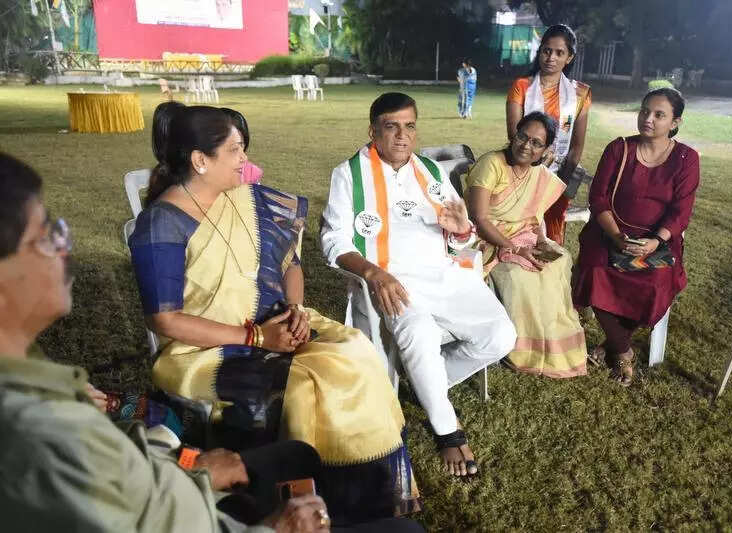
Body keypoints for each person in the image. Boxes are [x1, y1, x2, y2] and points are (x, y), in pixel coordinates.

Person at [0, 151, 333, 532]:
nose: (64, 248)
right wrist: (277, 528)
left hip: (175, 480)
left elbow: (128, 467)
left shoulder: (33, 378)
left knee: (298, 456)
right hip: (196, 512)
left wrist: (189, 465)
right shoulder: (35, 437)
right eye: (45, 238)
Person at [128, 105, 420, 524]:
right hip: (209, 349)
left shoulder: (247, 199)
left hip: (278, 321)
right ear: (200, 161)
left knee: (356, 353)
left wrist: (295, 310)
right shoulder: (161, 224)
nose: (245, 160)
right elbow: (166, 321)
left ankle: (364, 498)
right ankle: (315, 502)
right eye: (235, 150)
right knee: (307, 384)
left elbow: (289, 264)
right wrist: (258, 338)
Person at [320, 92, 516, 478]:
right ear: (373, 131)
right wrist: (374, 273)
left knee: (501, 336)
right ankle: (447, 430)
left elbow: (459, 237)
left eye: (409, 126)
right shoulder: (349, 174)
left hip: (445, 276)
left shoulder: (430, 170)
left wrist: (460, 232)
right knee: (420, 334)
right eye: (391, 126)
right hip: (392, 281)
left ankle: (426, 382)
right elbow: (333, 240)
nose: (402, 135)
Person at [572, 88, 700, 386]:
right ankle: (623, 350)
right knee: (594, 271)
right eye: (644, 111)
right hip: (610, 233)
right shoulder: (619, 149)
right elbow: (598, 199)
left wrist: (655, 241)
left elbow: (681, 211)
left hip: (656, 241)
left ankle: (610, 344)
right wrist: (617, 237)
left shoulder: (686, 158)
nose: (648, 119)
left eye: (659, 115)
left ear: (675, 122)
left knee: (656, 281)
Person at [465, 111, 587, 378]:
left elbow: (535, 214)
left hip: (524, 235)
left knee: (558, 261)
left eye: (536, 143)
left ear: (545, 150)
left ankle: (552, 342)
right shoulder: (491, 164)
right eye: (522, 137)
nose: (526, 146)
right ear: (514, 134)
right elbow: (479, 218)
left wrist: (541, 240)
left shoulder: (536, 172)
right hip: (487, 239)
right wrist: (515, 248)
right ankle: (522, 350)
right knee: (520, 275)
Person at [505, 24, 592, 246]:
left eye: (559, 53)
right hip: (520, 173)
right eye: (547, 50)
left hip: (558, 178)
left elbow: (576, 146)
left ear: (569, 57)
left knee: (550, 240)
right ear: (540, 51)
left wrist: (561, 182)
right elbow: (514, 135)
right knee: (520, 234)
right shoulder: (522, 87)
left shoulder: (581, 94)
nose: (551, 57)